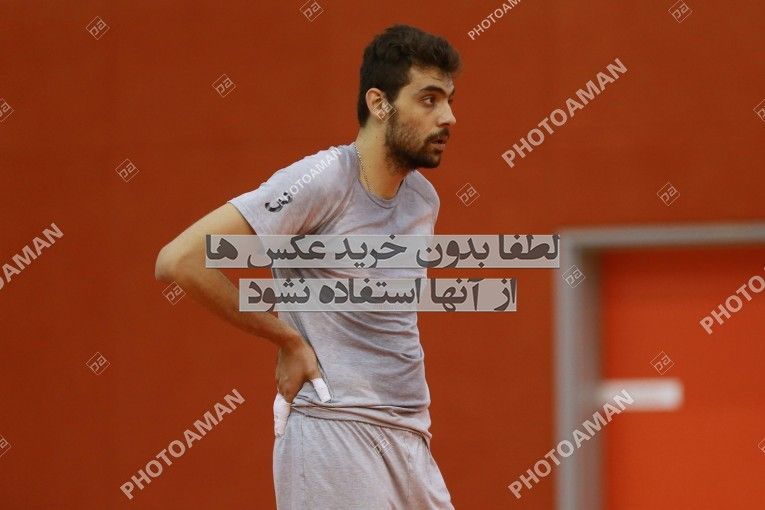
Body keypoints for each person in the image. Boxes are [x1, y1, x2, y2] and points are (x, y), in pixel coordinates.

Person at [155, 23, 460, 509]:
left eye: (448, 100)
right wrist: (287, 339)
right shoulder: (322, 180)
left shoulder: (423, 199)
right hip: (333, 430)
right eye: (429, 99)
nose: (448, 117)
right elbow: (179, 260)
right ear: (379, 104)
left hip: (410, 437)